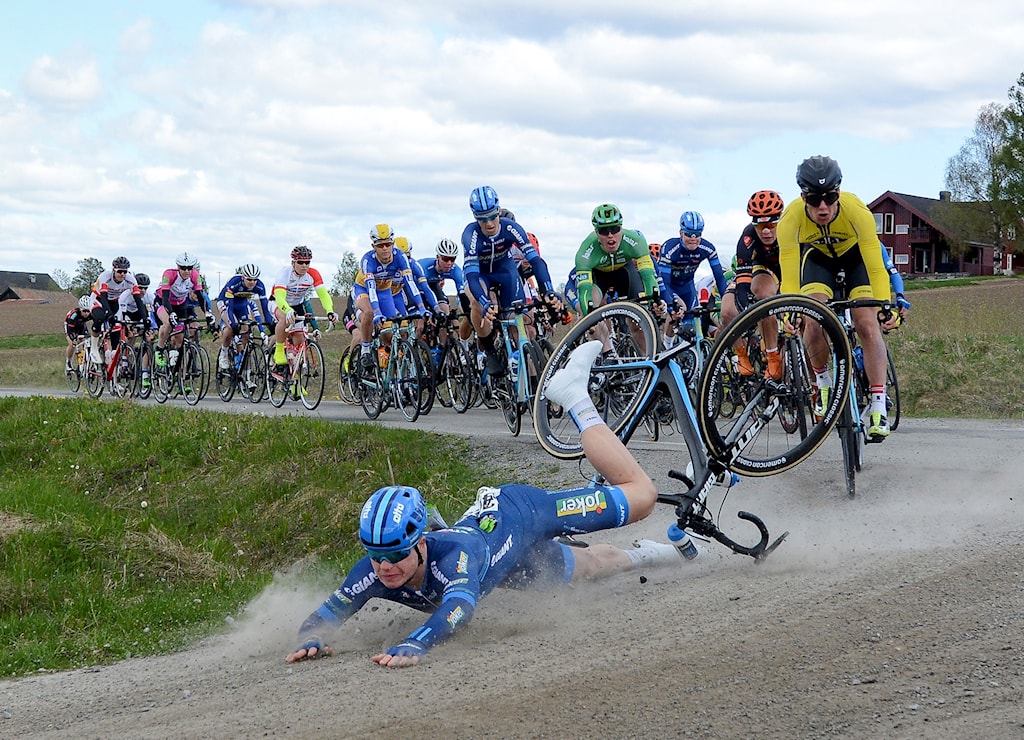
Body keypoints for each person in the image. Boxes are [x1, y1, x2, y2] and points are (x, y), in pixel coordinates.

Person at [286, 340, 692, 668]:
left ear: (421, 542)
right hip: (508, 562)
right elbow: (327, 613)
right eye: (375, 556)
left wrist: (417, 643)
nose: (384, 567)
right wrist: (313, 638)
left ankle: (573, 396)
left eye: (394, 553)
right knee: (589, 567)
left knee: (643, 496)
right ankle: (654, 555)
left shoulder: (454, 557)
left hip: (522, 512)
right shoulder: (374, 570)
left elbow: (459, 610)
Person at [778, 155, 898, 441]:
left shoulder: (857, 211)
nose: (823, 207)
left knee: (867, 324)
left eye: (830, 198)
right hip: (819, 261)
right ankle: (823, 383)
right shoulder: (791, 219)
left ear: (839, 193)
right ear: (803, 196)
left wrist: (884, 304)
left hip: (856, 261)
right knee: (812, 317)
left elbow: (874, 263)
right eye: (815, 199)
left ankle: (878, 404)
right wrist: (789, 310)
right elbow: (790, 270)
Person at [461, 186, 559, 375]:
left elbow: (536, 261)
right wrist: (484, 301)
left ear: (498, 210)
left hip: (505, 271)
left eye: (492, 216)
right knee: (476, 303)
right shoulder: (470, 234)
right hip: (480, 274)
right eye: (482, 219)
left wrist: (548, 290)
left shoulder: (511, 228)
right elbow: (472, 276)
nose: (489, 223)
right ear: (475, 217)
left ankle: (532, 383)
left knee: (519, 324)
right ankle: (489, 349)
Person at [719, 190, 786, 379]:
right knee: (728, 310)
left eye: (771, 225)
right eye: (761, 226)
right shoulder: (748, 236)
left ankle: (775, 356)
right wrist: (745, 308)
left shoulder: (790, 229)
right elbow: (742, 280)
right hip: (762, 266)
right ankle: (743, 355)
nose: (766, 231)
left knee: (767, 297)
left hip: (786, 267)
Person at [352, 225, 425, 372]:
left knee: (393, 330)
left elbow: (410, 283)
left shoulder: (400, 256)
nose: (385, 248)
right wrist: (377, 311)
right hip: (364, 289)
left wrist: (421, 307)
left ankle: (389, 372)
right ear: (374, 246)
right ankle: (365, 350)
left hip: (385, 291)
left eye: (388, 244)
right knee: (369, 313)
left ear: (392, 244)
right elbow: (371, 288)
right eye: (380, 245)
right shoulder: (368, 260)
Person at [573, 203, 659, 317]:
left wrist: (654, 302)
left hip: (625, 272)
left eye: (615, 229)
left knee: (640, 316)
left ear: (621, 228)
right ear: (596, 232)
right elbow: (585, 292)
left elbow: (649, 278)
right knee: (591, 312)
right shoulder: (585, 252)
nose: (610, 235)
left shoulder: (636, 242)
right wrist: (588, 315)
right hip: (598, 276)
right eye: (604, 231)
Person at [269, 245, 338, 378]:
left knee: (300, 342)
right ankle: (278, 350)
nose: (304, 265)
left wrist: (330, 311)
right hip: (277, 302)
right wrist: (287, 310)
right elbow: (279, 297)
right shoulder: (285, 273)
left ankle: (295, 382)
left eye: (307, 262)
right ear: (293, 262)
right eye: (300, 262)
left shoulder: (313, 274)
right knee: (284, 319)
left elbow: (323, 294)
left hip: (297, 305)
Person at [657, 212, 729, 336]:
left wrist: (727, 301)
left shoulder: (708, 248)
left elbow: (720, 278)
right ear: (681, 233)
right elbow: (664, 283)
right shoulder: (670, 248)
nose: (693, 238)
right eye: (689, 234)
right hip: (670, 286)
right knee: (677, 313)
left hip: (688, 287)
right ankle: (667, 346)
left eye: (698, 234)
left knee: (695, 324)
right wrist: (671, 305)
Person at [154, 252, 216, 368]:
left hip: (180, 304)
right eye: (183, 268)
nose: (187, 271)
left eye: (189, 268)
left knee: (179, 339)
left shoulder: (195, 276)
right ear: (178, 267)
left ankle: (176, 369)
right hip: (163, 301)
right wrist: (171, 312)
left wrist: (208, 312)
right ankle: (160, 349)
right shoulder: (169, 274)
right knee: (168, 323)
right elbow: (166, 298)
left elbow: (201, 297)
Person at [215, 263, 274, 371]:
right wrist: (233, 324)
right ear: (243, 277)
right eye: (249, 279)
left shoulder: (260, 286)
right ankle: (224, 354)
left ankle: (242, 357)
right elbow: (230, 307)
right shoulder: (234, 283)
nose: (252, 282)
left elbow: (265, 307)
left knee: (246, 331)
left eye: (255, 279)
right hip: (226, 303)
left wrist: (269, 323)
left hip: (242, 304)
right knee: (230, 328)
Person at [64, 295, 97, 372]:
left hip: (81, 326)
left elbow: (98, 323)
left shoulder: (91, 314)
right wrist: (73, 338)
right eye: (84, 311)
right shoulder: (74, 315)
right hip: (70, 326)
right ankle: (68, 362)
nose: (86, 313)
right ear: (80, 310)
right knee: (72, 344)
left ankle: (85, 362)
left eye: (88, 311)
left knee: (86, 342)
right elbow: (70, 329)